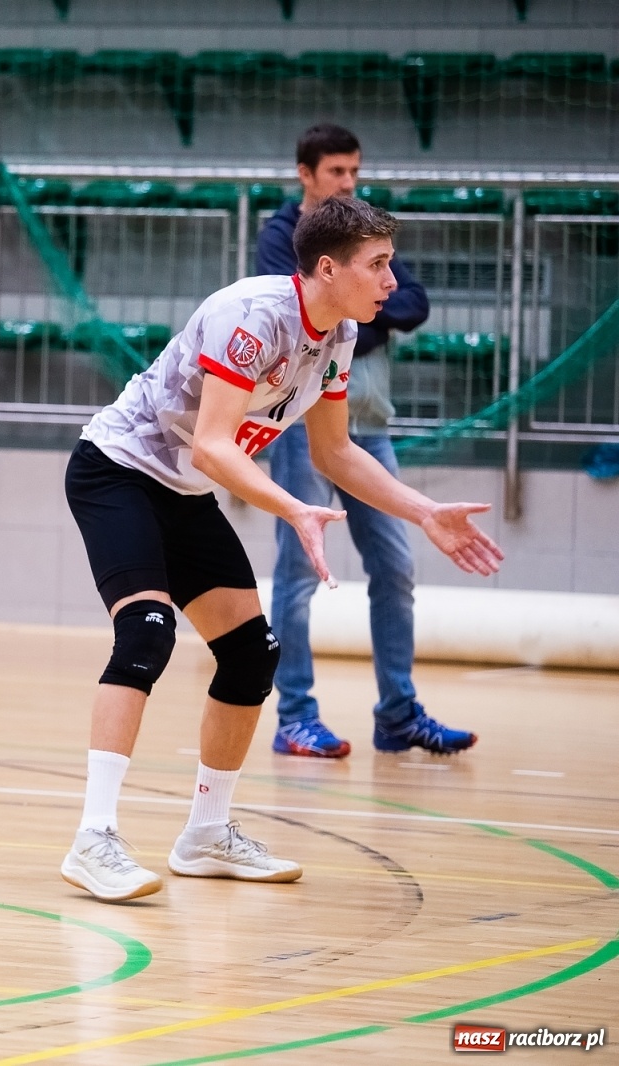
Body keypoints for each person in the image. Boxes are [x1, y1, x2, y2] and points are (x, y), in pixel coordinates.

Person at [59, 197, 503, 903]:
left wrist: (424, 512)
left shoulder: (342, 333)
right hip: (117, 471)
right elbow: (210, 444)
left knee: (251, 652)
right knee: (146, 634)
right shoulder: (254, 315)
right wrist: (294, 509)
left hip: (182, 490)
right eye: (379, 264)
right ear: (327, 268)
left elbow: (335, 452)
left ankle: (206, 835)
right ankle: (94, 839)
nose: (392, 281)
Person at [257, 124, 473, 759]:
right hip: (304, 432)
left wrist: (359, 312)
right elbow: (312, 318)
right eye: (336, 172)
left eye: (354, 170)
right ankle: (295, 716)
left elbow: (411, 302)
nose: (348, 182)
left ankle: (399, 713)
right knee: (297, 576)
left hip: (369, 429)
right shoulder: (282, 238)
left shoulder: (360, 237)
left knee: (396, 568)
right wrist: (359, 315)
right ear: (305, 174)